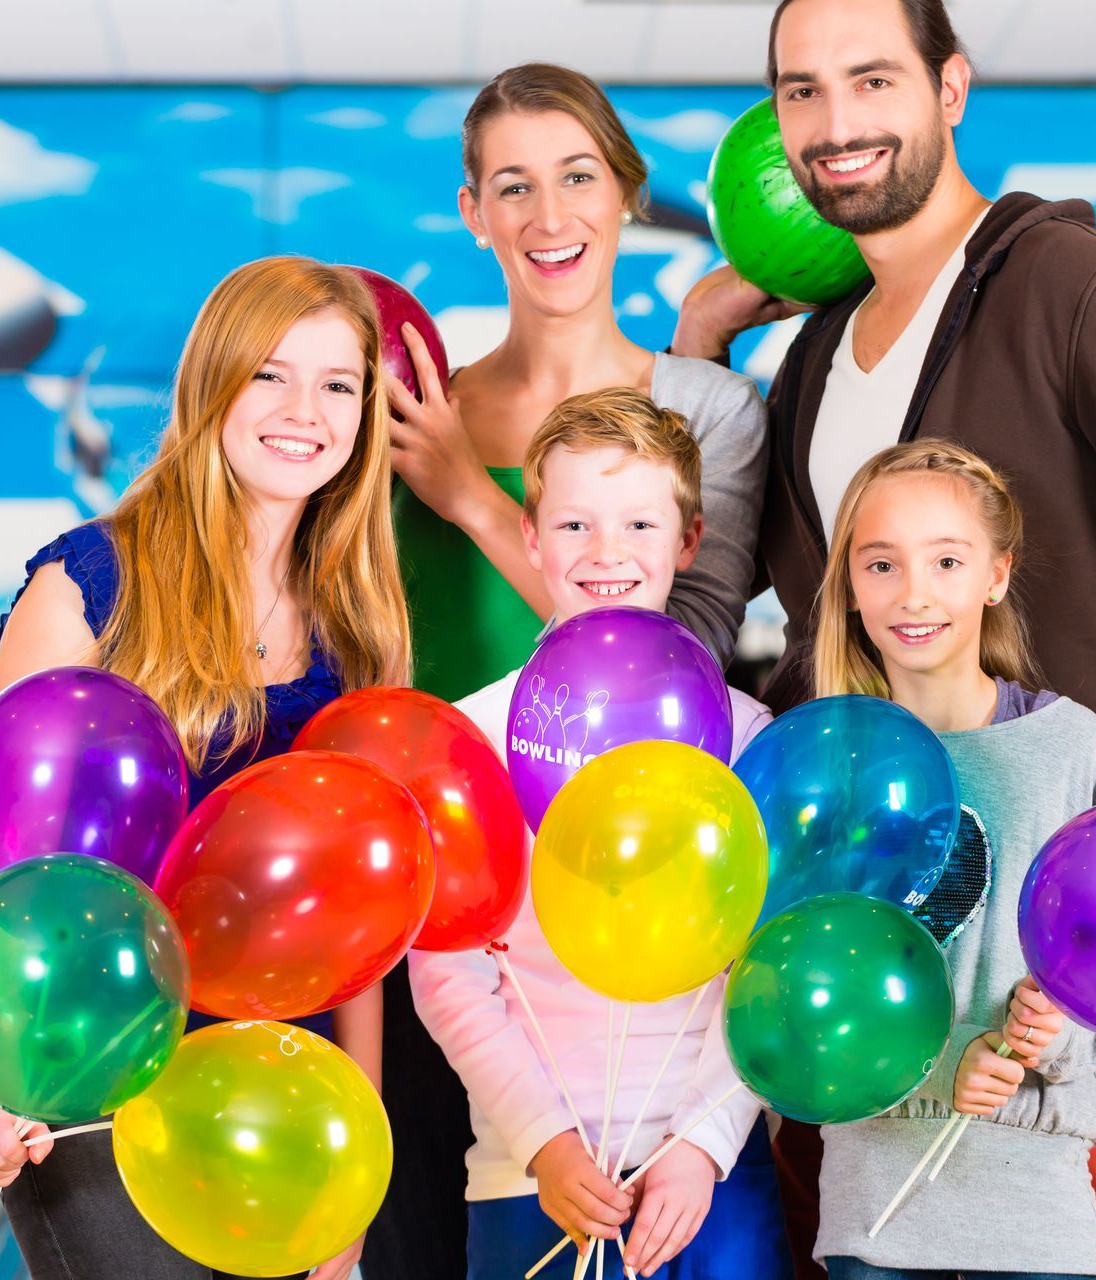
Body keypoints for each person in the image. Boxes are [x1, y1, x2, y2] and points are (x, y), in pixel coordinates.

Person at [671, 2, 1096, 1273]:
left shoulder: (1079, 293)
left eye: (873, 79)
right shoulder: (816, 358)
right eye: (801, 92)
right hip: (845, 970)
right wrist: (706, 330)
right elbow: (805, 646)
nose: (835, 125)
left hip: (1033, 998)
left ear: (952, 88)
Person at [374, 61, 770, 1279]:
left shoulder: (709, 408)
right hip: (452, 890)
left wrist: (472, 504)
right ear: (474, 211)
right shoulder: (410, 413)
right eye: (514, 185)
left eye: (579, 176)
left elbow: (670, 671)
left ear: (625, 192)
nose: (550, 215)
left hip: (649, 933)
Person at [0, 256, 406, 1280]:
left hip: (281, 1095)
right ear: (213, 384)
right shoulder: (85, 586)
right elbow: (8, 876)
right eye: (270, 375)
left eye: (338, 384)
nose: (305, 410)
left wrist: (359, 1165)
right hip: (94, 1067)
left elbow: (360, 928)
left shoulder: (359, 627)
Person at [409, 389, 792, 1280]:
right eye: (575, 524)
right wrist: (545, 1147)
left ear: (688, 542)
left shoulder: (748, 738)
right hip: (525, 1177)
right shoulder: (473, 736)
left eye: (639, 525)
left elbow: (765, 968)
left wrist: (700, 1148)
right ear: (532, 539)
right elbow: (451, 971)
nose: (606, 553)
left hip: (710, 1179)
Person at [812, 441, 1096, 1279]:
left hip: (1038, 1213)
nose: (913, 594)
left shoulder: (1070, 746)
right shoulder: (826, 764)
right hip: (875, 1211)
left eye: (946, 561)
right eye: (882, 564)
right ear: (849, 586)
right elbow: (799, 994)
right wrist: (949, 1062)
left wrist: (1057, 1029)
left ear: (996, 574)